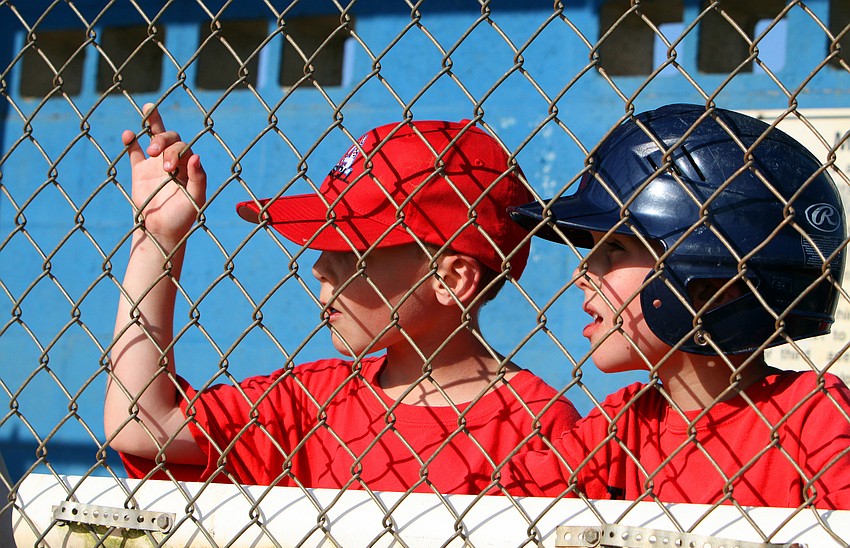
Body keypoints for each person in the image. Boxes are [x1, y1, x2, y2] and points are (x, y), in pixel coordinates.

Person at [104, 104, 580, 494]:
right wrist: (158, 241)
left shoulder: (540, 430)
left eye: (351, 250)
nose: (318, 266)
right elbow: (140, 425)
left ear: (451, 279)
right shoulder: (310, 402)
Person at [505, 103, 850, 508]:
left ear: (709, 283)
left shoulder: (814, 420)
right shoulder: (624, 426)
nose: (581, 275)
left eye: (614, 248)